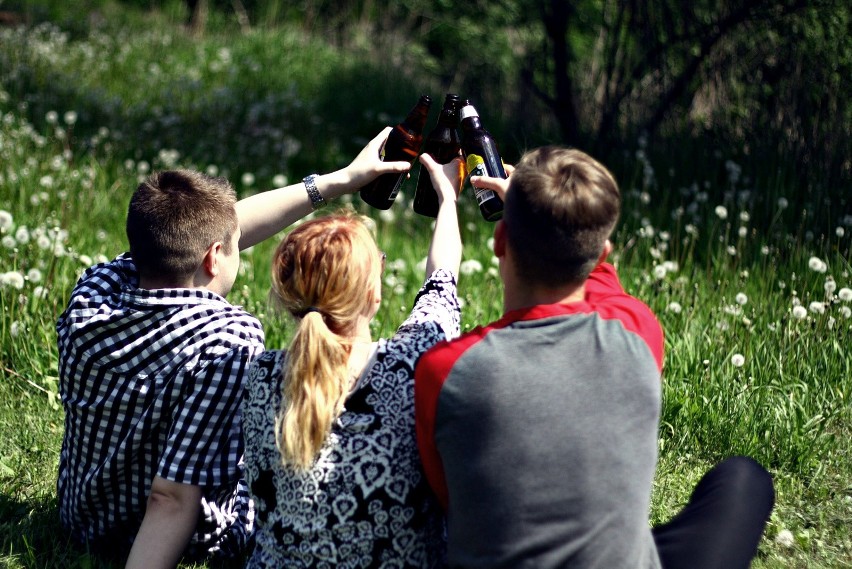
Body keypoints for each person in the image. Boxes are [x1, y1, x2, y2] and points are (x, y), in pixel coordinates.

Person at [56, 128, 412, 569]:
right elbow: (170, 498)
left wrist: (339, 180)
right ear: (214, 256)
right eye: (233, 244)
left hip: (81, 515)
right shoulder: (225, 338)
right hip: (177, 536)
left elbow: (207, 231)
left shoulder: (95, 289)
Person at [415, 146, 775, 569]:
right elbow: (600, 282)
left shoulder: (445, 370)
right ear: (601, 255)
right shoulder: (638, 332)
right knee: (744, 480)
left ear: (499, 242)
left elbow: (448, 498)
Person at [240, 153, 463, 568]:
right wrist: (448, 200)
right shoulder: (416, 363)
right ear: (373, 294)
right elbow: (442, 278)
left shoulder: (260, 375)